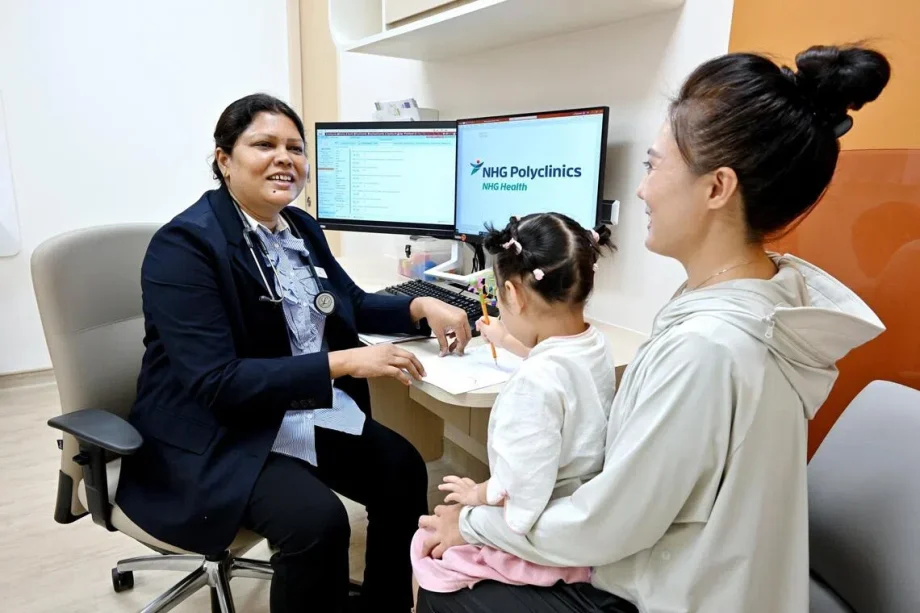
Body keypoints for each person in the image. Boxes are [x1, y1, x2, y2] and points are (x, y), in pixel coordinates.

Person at [415, 44, 891, 613]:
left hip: (671, 591)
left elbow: (609, 524)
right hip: (696, 565)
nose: (640, 190)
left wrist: (473, 524)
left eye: (653, 165)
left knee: (441, 575)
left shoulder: (709, 349)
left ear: (717, 187)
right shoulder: (752, 298)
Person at [116, 93, 472, 613]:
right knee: (316, 522)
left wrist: (419, 305)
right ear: (224, 160)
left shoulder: (299, 228)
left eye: (295, 147)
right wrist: (342, 363)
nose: (285, 158)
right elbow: (215, 381)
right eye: (264, 144)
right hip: (218, 429)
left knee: (401, 468)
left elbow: (346, 303)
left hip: (291, 410)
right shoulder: (186, 246)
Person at [410, 214, 616, 597]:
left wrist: (480, 496)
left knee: (424, 548)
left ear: (513, 294)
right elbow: (555, 362)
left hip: (542, 539)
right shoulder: (596, 345)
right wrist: (506, 341)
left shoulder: (532, 387)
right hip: (580, 505)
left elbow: (525, 497)